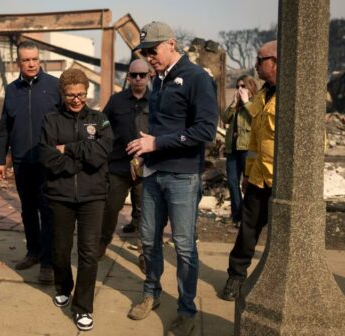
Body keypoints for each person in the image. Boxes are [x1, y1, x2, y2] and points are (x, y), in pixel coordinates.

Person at [126, 21, 219, 336]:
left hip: (182, 176)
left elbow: (205, 131)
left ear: (170, 43)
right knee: (149, 240)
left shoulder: (197, 79)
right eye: (145, 52)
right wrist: (145, 150)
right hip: (153, 173)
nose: (149, 57)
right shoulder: (158, 81)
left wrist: (156, 143)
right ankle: (150, 293)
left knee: (183, 245)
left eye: (153, 50)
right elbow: (160, 127)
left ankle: (186, 308)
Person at [38, 68, 112, 332]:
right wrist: (80, 162)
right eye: (71, 95)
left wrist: (69, 149)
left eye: (81, 94)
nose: (77, 99)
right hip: (60, 195)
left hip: (93, 196)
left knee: (89, 253)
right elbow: (48, 157)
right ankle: (63, 286)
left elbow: (101, 153)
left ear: (87, 91)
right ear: (63, 94)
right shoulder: (50, 120)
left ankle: (83, 307)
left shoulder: (100, 119)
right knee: (60, 249)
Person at [0, 41, 61, 284]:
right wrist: (0, 159)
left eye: (35, 59)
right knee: (28, 210)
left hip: (47, 162)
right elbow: (4, 128)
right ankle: (33, 252)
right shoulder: (12, 90)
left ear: (39, 59)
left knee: (47, 211)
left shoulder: (54, 86)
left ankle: (48, 263)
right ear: (18, 63)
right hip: (22, 161)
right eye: (26, 60)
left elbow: (65, 122)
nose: (31, 64)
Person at [220, 41, 278, 302]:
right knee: (248, 229)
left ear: (275, 61)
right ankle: (236, 276)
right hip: (258, 179)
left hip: (283, 181)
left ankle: (278, 283)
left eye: (260, 59)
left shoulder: (293, 95)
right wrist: (248, 175)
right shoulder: (263, 96)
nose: (256, 65)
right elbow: (255, 141)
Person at [98, 59, 150, 265]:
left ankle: (146, 252)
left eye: (142, 75)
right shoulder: (116, 101)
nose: (138, 78)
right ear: (128, 76)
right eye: (134, 75)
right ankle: (102, 242)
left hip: (147, 166)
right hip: (119, 165)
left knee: (147, 212)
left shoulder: (157, 101)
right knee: (110, 207)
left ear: (149, 77)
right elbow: (102, 124)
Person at [220, 75, 258, 228]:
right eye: (237, 86)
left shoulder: (254, 103)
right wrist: (234, 103)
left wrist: (246, 102)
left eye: (243, 86)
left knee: (248, 183)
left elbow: (257, 118)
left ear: (250, 88)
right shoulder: (236, 106)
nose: (239, 89)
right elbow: (224, 119)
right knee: (232, 183)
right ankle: (237, 216)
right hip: (232, 149)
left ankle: (248, 217)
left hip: (247, 149)